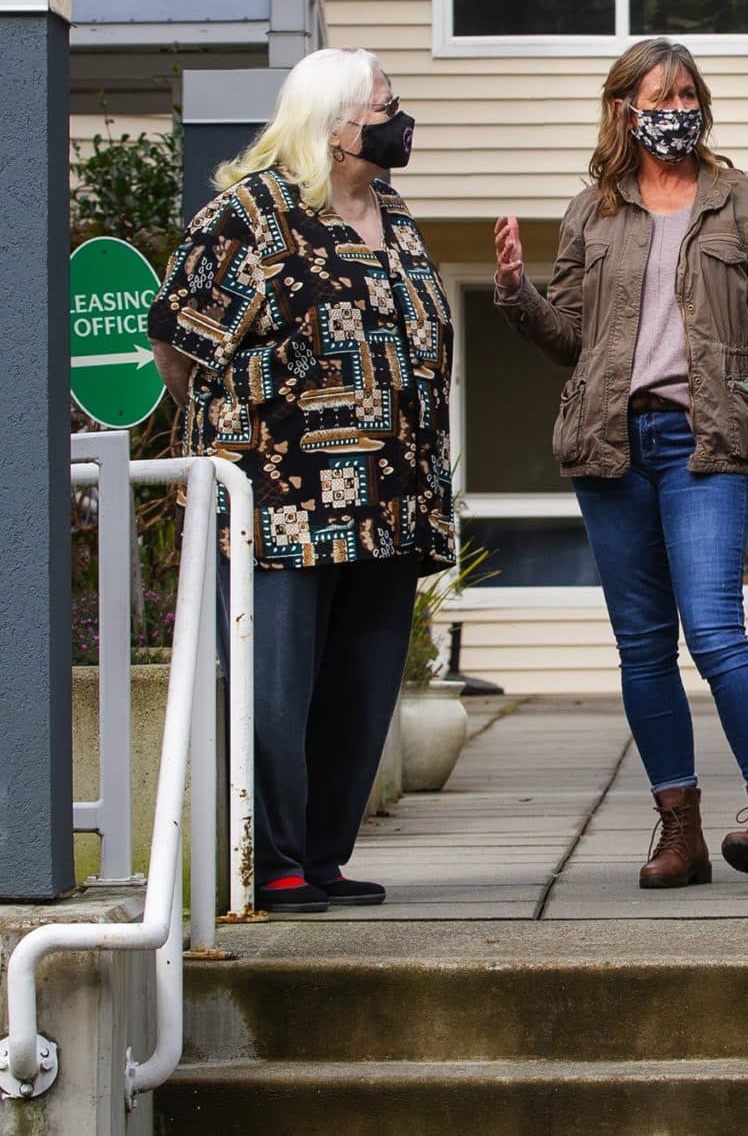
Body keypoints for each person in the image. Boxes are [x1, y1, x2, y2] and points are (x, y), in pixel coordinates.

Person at [493, 38, 748, 891]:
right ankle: (679, 830)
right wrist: (516, 293)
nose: (676, 105)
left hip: (707, 440)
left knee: (717, 632)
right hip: (610, 445)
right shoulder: (591, 212)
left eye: (688, 91)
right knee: (643, 648)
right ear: (624, 107)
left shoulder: (743, 203)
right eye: (659, 92)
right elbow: (570, 336)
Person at [147, 48, 452, 914]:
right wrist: (236, 434)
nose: (400, 119)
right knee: (274, 690)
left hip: (391, 501)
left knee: (359, 691)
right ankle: (273, 858)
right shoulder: (249, 215)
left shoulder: (392, 212)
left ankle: (322, 854)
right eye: (387, 106)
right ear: (336, 127)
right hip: (282, 502)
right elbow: (176, 340)